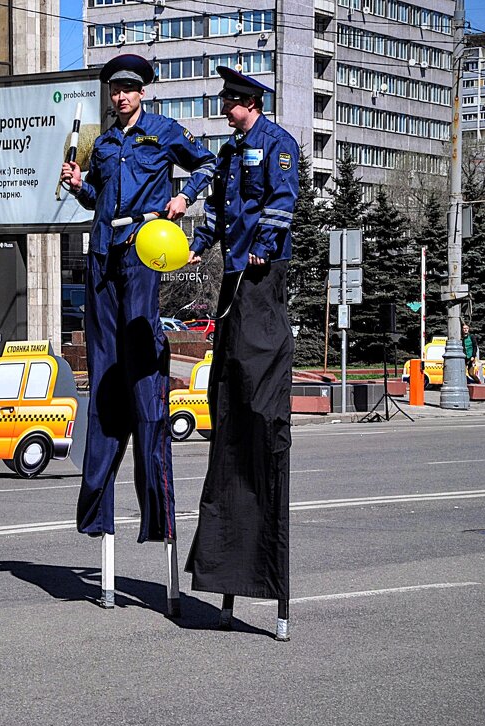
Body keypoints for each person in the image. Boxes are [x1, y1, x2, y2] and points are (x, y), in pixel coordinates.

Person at [58, 54, 215, 572]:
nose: (120, 97)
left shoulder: (163, 131)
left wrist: (184, 197)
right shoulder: (102, 142)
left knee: (142, 353)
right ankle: (98, 503)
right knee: (105, 365)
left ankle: (155, 505)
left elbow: (209, 164)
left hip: (142, 250)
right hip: (102, 251)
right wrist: (80, 184)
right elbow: (97, 200)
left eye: (128, 89)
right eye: (114, 89)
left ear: (142, 92)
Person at [183, 67, 300, 641]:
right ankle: (224, 579)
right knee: (225, 414)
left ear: (248, 102)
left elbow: (283, 200)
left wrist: (263, 247)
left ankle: (271, 595)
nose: (223, 108)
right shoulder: (231, 152)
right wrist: (191, 247)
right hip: (233, 281)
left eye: (228, 101)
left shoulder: (277, 144)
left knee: (259, 413)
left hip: (262, 277)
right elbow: (221, 217)